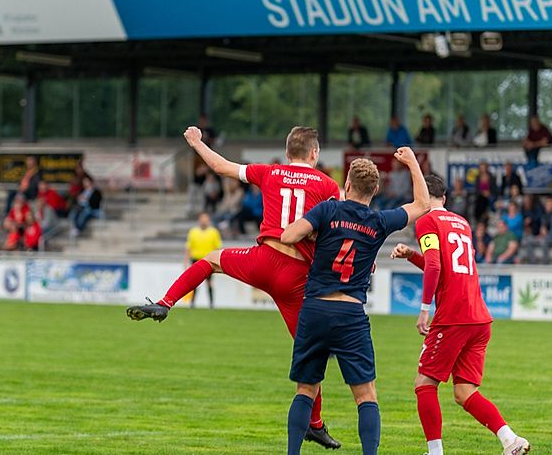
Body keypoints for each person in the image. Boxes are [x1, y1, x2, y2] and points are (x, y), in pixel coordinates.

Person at [126, 125, 344, 449]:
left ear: (287, 153)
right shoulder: (327, 184)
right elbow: (341, 227)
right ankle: (314, 424)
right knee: (310, 351)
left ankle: (165, 302)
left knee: (210, 260)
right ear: (314, 153)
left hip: (263, 260)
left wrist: (196, 143)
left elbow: (220, 166)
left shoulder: (270, 172)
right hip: (296, 275)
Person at [280, 155, 429, 455]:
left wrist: (315, 234)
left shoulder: (328, 210)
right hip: (350, 313)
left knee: (306, 390)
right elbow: (423, 204)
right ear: (375, 190)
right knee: (366, 396)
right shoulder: (379, 221)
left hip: (315, 308)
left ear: (346, 184)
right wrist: (413, 162)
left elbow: (288, 235)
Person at [391, 174, 531, 455]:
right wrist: (412, 256)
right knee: (464, 392)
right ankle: (511, 440)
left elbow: (435, 267)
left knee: (424, 384)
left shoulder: (426, 221)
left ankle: (435, 452)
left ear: (421, 195)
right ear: (444, 198)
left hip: (453, 317)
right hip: (479, 317)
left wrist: (424, 309)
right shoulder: (462, 223)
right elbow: (447, 266)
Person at [184, 212, 222, 309]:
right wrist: (186, 261)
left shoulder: (214, 232)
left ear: (208, 220)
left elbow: (217, 248)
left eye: (205, 219)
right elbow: (189, 247)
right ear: (199, 220)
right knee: (194, 283)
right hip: (196, 259)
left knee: (209, 283)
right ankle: (192, 304)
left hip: (209, 261)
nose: (204, 221)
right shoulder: (193, 232)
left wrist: (218, 262)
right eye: (202, 219)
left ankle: (211, 304)